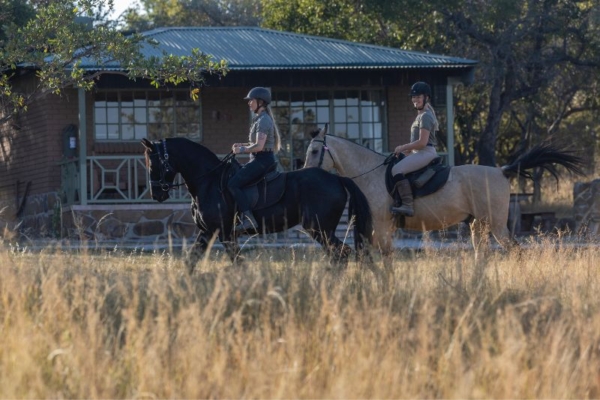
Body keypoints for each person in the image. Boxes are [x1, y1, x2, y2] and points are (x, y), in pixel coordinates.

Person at [228, 87, 281, 233]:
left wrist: (242, 150)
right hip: (258, 159)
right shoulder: (259, 119)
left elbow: (259, 146)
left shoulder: (263, 120)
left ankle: (248, 220)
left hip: (263, 160)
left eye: (251, 100)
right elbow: (255, 145)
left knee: (233, 184)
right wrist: (242, 145)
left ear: (260, 102)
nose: (249, 103)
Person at [390, 81, 440, 216]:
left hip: (425, 152)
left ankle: (407, 205)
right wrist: (407, 152)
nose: (415, 100)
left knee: (397, 170)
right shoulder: (421, 115)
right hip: (419, 152)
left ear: (426, 98)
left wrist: (402, 147)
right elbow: (416, 143)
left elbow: (422, 143)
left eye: (418, 97)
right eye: (413, 97)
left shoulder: (426, 116)